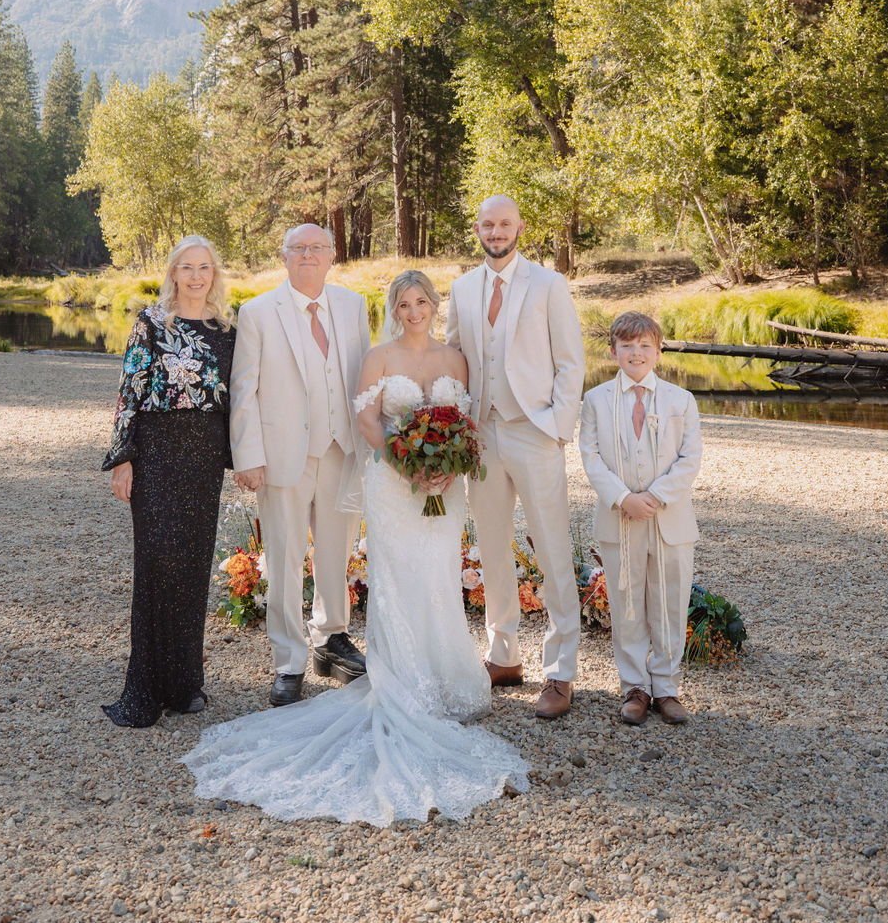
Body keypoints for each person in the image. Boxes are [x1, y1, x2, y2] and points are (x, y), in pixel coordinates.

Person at [181, 269, 528, 826]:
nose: (414, 311)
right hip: (394, 484)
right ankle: (397, 678)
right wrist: (408, 459)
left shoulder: (456, 360)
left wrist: (446, 466)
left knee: (439, 577)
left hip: (444, 490)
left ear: (434, 306)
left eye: (422, 302)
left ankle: (444, 676)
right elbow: (366, 418)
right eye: (404, 302)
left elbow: (463, 421)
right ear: (394, 308)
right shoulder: (379, 356)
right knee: (397, 579)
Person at [446, 194, 585, 720]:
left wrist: (555, 427)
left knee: (551, 546)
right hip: (481, 434)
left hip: (534, 431)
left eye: (505, 223)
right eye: (488, 223)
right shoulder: (461, 288)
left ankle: (561, 670)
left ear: (519, 227)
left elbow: (572, 363)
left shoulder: (548, 284)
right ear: (477, 228)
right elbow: (456, 358)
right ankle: (503, 655)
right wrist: (456, 427)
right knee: (492, 548)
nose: (496, 231)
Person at [228, 224, 371, 707]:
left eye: (318, 248)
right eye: (299, 249)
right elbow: (243, 391)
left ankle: (331, 639)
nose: (308, 255)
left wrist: (371, 447)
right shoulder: (257, 312)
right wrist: (248, 457)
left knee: (336, 552)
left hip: (341, 450)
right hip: (282, 455)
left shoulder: (353, 307)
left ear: (332, 256)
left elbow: (364, 381)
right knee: (285, 559)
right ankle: (288, 660)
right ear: (285, 257)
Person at [102, 235, 235, 728]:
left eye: (205, 267)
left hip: (202, 457)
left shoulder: (226, 329)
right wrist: (124, 458)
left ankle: (184, 684)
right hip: (157, 451)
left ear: (213, 274)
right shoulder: (151, 323)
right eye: (188, 267)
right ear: (174, 273)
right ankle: (146, 685)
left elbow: (237, 398)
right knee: (157, 562)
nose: (197, 276)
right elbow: (129, 390)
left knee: (193, 568)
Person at [578, 310, 702, 726]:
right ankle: (634, 686)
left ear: (659, 351)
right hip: (620, 518)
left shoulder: (680, 400)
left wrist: (654, 496)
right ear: (613, 351)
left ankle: (666, 687)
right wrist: (622, 498)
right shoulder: (595, 400)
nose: (636, 353)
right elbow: (591, 457)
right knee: (627, 601)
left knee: (669, 602)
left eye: (644, 345)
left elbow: (690, 458)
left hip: (669, 520)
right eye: (627, 346)